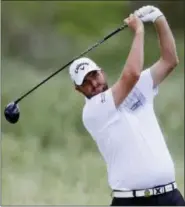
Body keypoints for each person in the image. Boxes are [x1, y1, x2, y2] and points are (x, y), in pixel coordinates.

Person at [68, 5, 185, 206]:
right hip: (130, 201)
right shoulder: (93, 112)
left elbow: (169, 60)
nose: (93, 84)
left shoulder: (137, 88)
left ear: (101, 72)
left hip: (170, 197)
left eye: (94, 75)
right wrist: (139, 31)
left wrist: (159, 18)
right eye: (85, 82)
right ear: (79, 90)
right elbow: (131, 75)